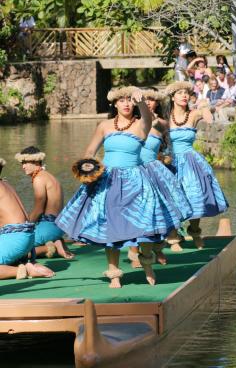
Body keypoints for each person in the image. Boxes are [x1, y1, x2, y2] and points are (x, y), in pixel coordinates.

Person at [56, 87, 185, 288]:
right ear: (114, 104)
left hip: (136, 180)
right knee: (111, 227)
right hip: (108, 181)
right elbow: (90, 150)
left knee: (146, 225)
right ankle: (114, 273)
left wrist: (141, 101)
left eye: (128, 100)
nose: (126, 103)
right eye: (121, 100)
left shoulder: (142, 125)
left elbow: (146, 117)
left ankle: (147, 261)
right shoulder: (104, 126)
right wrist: (88, 166)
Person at [128, 88, 193, 267]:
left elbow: (167, 146)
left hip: (155, 171)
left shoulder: (161, 123)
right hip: (134, 171)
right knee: (136, 210)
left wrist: (165, 157)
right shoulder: (129, 123)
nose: (148, 102)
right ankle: (134, 251)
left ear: (157, 102)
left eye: (151, 99)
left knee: (159, 210)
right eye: (145, 99)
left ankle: (158, 246)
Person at [164, 81, 229, 249]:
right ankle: (173, 236)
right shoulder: (164, 117)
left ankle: (194, 231)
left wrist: (204, 105)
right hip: (169, 161)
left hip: (190, 161)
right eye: (180, 93)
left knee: (195, 195)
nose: (184, 96)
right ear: (172, 97)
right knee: (172, 198)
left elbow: (208, 119)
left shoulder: (193, 114)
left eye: (186, 93)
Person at [15, 146, 74, 260]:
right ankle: (56, 240)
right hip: (58, 226)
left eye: (26, 163)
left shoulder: (39, 179)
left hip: (49, 226)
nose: (23, 166)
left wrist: (25, 227)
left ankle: (49, 248)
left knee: (18, 251)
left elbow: (39, 210)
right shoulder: (48, 176)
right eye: (22, 163)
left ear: (36, 161)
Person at [0, 157, 54, 280]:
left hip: (15, 239)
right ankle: (27, 264)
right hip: (26, 239)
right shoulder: (5, 184)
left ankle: (24, 270)